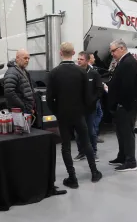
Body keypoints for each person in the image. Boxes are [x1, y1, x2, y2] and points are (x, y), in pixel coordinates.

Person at [46, 42, 102, 188]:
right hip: (79, 114)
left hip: (63, 114)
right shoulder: (82, 72)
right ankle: (94, 172)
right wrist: (83, 110)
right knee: (86, 142)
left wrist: (57, 112)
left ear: (60, 53)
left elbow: (49, 97)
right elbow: (88, 97)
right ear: (73, 53)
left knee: (66, 146)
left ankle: (72, 178)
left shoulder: (53, 73)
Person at [107, 39, 137, 172]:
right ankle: (122, 156)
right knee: (121, 133)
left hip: (126, 105)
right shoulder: (123, 62)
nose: (112, 54)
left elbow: (127, 87)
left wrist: (121, 103)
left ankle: (131, 161)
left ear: (122, 48)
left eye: (113, 51)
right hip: (122, 104)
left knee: (127, 133)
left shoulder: (128, 63)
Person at [73, 51, 104, 162]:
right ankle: (81, 152)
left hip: (90, 109)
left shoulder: (94, 74)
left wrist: (93, 100)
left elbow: (99, 90)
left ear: (86, 61)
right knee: (78, 132)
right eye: (78, 59)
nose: (79, 61)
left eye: (81, 59)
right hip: (78, 109)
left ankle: (93, 152)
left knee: (91, 131)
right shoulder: (75, 73)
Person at [4, 49, 35, 114]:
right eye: (25, 58)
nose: (27, 60)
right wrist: (23, 106)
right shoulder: (12, 72)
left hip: (25, 110)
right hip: (19, 112)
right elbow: (9, 92)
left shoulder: (23, 71)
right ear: (17, 58)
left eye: (28, 58)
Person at [88, 53, 105, 143]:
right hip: (94, 97)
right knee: (96, 115)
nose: (94, 59)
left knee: (99, 114)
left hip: (94, 97)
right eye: (93, 57)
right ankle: (93, 134)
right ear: (89, 59)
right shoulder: (89, 70)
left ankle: (93, 132)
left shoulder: (92, 68)